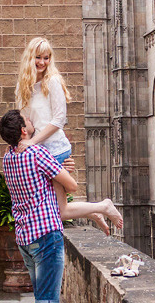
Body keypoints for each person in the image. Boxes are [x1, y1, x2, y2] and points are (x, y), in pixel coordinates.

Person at [0, 109, 103, 303]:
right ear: (23, 130)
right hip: (45, 236)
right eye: (27, 120)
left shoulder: (9, 158)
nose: (33, 122)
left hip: (25, 238)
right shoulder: (38, 154)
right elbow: (71, 185)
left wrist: (57, 167)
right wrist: (65, 168)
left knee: (41, 302)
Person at [14, 37, 123, 232]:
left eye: (46, 58)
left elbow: (58, 120)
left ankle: (103, 206)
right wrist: (23, 144)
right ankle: (93, 212)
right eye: (38, 57)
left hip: (54, 150)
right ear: (30, 58)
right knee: (55, 205)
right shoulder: (24, 87)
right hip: (39, 154)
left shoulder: (53, 81)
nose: (42, 62)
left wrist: (32, 143)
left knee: (61, 210)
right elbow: (26, 124)